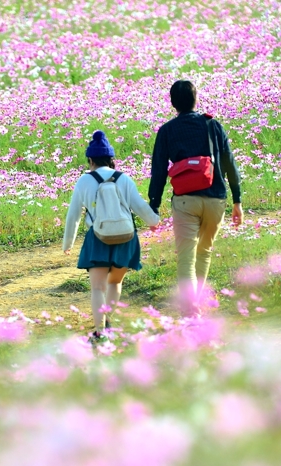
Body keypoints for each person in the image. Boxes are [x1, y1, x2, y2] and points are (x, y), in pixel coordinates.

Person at [149, 80, 242, 314]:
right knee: (204, 252)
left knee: (186, 258)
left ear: (172, 103)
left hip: (185, 201)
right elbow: (229, 163)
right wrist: (237, 200)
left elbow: (158, 170)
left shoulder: (167, 130)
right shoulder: (213, 125)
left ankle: (191, 311)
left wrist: (154, 205)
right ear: (195, 99)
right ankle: (197, 303)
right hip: (215, 199)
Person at [64, 130, 159, 340]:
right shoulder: (124, 179)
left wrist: (67, 243)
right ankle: (108, 321)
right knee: (115, 283)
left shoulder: (84, 181)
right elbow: (139, 206)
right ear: (111, 159)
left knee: (97, 288)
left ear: (90, 159)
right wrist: (153, 222)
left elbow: (73, 216)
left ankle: (99, 332)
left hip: (98, 237)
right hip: (126, 237)